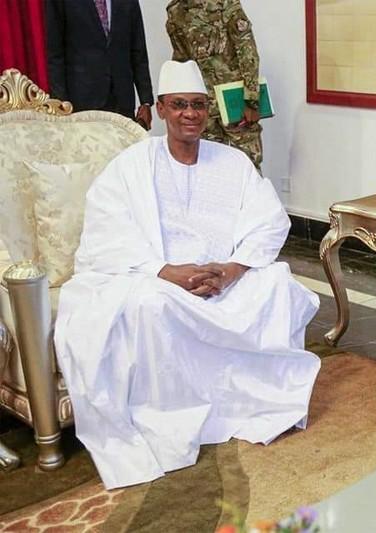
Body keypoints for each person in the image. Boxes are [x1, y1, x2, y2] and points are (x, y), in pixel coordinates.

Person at [54, 60, 320, 489]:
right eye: (179, 105)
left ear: (207, 110)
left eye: (198, 105)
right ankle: (173, 417)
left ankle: (252, 404)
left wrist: (231, 270)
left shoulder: (233, 161)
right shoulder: (131, 165)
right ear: (161, 109)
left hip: (222, 276)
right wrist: (165, 271)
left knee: (278, 284)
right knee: (148, 305)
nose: (190, 114)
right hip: (156, 275)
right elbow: (108, 229)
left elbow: (269, 221)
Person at [166, 0, 263, 170]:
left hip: (235, 101)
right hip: (202, 105)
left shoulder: (224, 3)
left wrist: (251, 100)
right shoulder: (176, 9)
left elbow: (247, 50)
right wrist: (181, 104)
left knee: (248, 163)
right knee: (207, 166)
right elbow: (181, 61)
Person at [45, 0, 154, 129]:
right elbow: (55, 55)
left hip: (122, 100)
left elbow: (138, 50)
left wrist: (146, 101)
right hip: (82, 104)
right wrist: (61, 105)